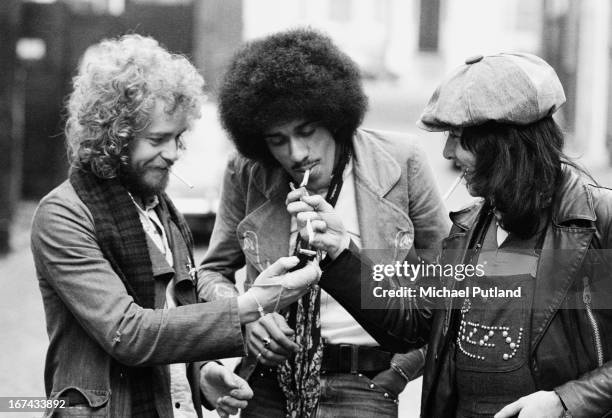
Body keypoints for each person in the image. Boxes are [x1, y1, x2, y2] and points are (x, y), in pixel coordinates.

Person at [290, 52, 612, 417]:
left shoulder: (595, 223)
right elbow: (412, 326)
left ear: (505, 145)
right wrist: (340, 251)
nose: (447, 152)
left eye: (458, 138)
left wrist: (566, 402)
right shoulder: (468, 230)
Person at [30, 34, 319, 418]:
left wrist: (202, 375)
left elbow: (173, 313)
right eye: (157, 139)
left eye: (178, 137)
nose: (172, 154)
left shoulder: (161, 209)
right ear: (114, 136)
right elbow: (129, 334)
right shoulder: (63, 216)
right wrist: (251, 304)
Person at [198, 28, 449, 418]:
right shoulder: (246, 172)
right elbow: (212, 272)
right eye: (278, 140)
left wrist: (400, 370)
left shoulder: (401, 161)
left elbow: (449, 280)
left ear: (332, 116)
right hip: (267, 382)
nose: (296, 153)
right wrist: (244, 317)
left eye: (305, 132)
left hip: (365, 380)